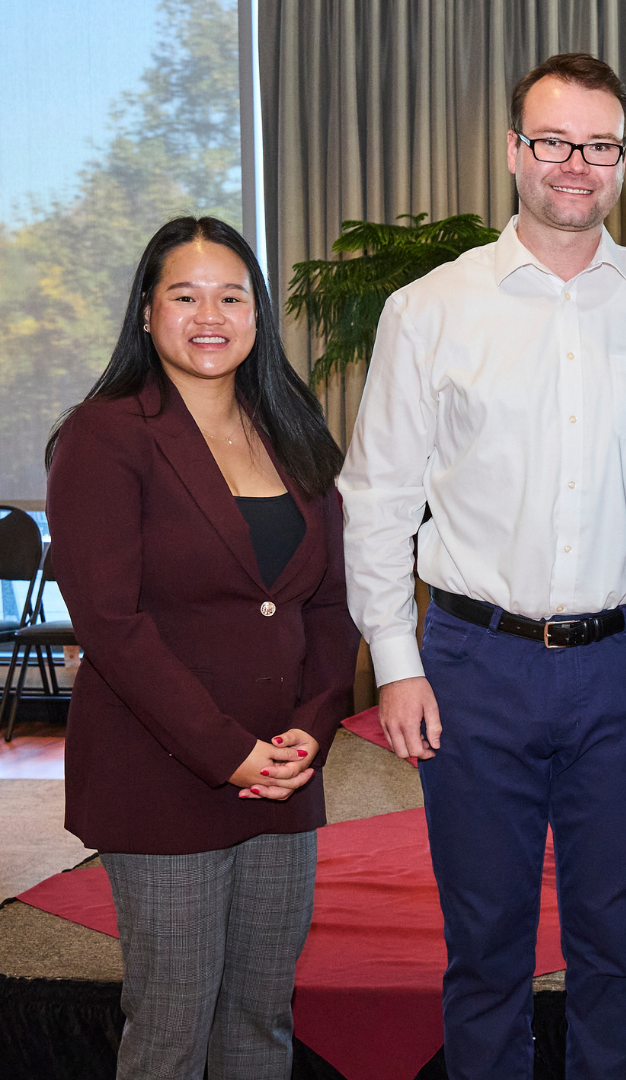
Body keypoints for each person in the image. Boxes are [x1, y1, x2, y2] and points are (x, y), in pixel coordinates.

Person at [338, 54, 626, 1079]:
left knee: (614, 948)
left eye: (598, 145)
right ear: (513, 151)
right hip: (473, 666)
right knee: (486, 952)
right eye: (552, 141)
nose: (574, 165)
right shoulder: (431, 311)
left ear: (624, 160)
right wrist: (397, 660)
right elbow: (376, 495)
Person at [44, 216, 357, 1080]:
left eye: (231, 295)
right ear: (147, 312)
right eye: (184, 295)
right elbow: (110, 622)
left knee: (261, 1018)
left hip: (284, 775)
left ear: (257, 314)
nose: (208, 314)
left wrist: (309, 732)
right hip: (163, 775)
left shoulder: (292, 430)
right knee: (173, 1025)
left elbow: (330, 606)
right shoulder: (106, 434)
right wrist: (229, 754)